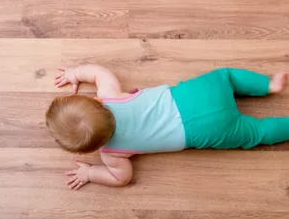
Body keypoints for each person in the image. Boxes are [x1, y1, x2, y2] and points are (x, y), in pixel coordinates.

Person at [45, 65, 288, 190]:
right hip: (194, 97)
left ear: (91, 148)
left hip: (205, 131)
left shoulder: (112, 155)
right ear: (97, 101)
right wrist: (75, 73)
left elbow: (122, 178)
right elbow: (99, 72)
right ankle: (268, 86)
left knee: (256, 133)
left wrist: (90, 174)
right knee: (227, 76)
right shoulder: (110, 95)